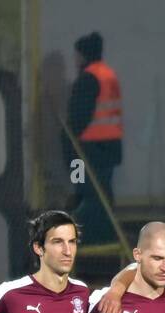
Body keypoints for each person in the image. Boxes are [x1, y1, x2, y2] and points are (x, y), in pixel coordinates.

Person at [67, 31, 122, 245]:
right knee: (103, 195)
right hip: (109, 148)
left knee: (88, 194)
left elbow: (79, 117)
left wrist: (69, 139)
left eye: (76, 55)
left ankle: (89, 239)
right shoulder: (107, 74)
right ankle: (105, 236)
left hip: (90, 149)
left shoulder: (89, 78)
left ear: (83, 54)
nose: (74, 59)